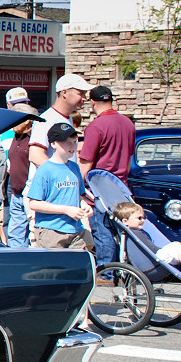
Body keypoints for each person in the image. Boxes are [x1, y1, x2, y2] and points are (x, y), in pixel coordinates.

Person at [78, 85, 137, 265]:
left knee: (103, 230)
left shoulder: (96, 126)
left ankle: (107, 271)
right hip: (121, 186)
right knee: (120, 231)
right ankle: (121, 269)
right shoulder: (128, 123)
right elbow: (128, 159)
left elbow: (86, 162)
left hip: (99, 188)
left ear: (93, 103)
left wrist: (78, 185)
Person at [25, 122, 92, 250]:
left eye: (74, 141)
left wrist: (84, 205)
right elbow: (34, 203)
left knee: (83, 258)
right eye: (67, 142)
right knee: (53, 268)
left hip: (75, 229)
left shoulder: (74, 167)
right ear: (54, 144)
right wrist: (66, 210)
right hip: (52, 230)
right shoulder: (45, 170)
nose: (72, 146)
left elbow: (77, 196)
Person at [29, 73, 94, 173]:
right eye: (80, 93)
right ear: (64, 92)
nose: (84, 98)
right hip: (46, 188)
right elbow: (35, 155)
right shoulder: (47, 119)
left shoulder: (67, 119)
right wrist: (61, 176)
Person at [112, 201, 181, 268]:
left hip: (153, 260)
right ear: (125, 221)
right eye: (139, 218)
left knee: (180, 252)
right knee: (177, 246)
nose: (143, 220)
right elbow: (151, 250)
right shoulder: (136, 234)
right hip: (154, 261)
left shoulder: (130, 234)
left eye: (144, 217)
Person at [4, 103, 38, 248]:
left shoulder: (34, 138)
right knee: (15, 235)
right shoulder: (15, 137)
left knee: (33, 236)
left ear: (27, 120)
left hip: (31, 194)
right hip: (16, 193)